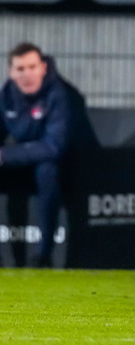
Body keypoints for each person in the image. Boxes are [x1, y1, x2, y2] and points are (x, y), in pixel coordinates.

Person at [0, 42, 98, 267]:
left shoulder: (61, 94)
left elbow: (54, 147)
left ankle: (44, 255)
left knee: (47, 170)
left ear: (43, 68)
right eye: (20, 69)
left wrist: (5, 154)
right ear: (11, 72)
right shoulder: (7, 95)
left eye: (32, 67)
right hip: (28, 162)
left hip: (72, 166)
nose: (27, 74)